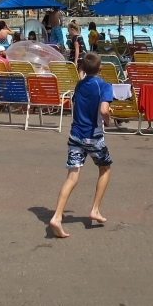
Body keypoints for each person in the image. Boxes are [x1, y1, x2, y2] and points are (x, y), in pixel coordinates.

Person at [49, 52, 113, 239]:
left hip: (75, 135)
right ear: (101, 68)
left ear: (82, 68)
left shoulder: (79, 84)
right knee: (105, 169)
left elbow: (76, 105)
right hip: (93, 136)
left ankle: (57, 216)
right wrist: (108, 120)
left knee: (72, 177)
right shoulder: (104, 86)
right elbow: (103, 109)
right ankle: (95, 209)